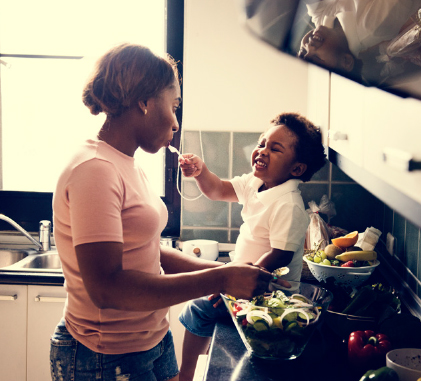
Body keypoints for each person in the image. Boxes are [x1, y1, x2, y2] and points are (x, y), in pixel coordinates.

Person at [50, 43, 275, 381]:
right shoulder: (94, 169)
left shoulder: (126, 163)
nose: (175, 122)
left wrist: (224, 272)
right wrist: (221, 278)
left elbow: (148, 253)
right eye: (174, 106)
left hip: (152, 340)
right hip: (104, 355)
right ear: (144, 102)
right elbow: (106, 288)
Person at [177, 112, 326, 381]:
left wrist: (234, 280)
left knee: (197, 308)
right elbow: (218, 189)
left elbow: (281, 255)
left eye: (275, 148)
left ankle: (185, 376)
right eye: (262, 143)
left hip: (266, 293)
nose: (262, 151)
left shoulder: (288, 204)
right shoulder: (256, 183)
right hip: (242, 282)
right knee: (200, 305)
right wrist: (201, 172)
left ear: (296, 169)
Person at [298, 0, 421, 82]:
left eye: (302, 51)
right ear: (346, 61)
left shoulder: (323, 23)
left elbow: (315, 7)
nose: (309, 47)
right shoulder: (372, 26)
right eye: (315, 58)